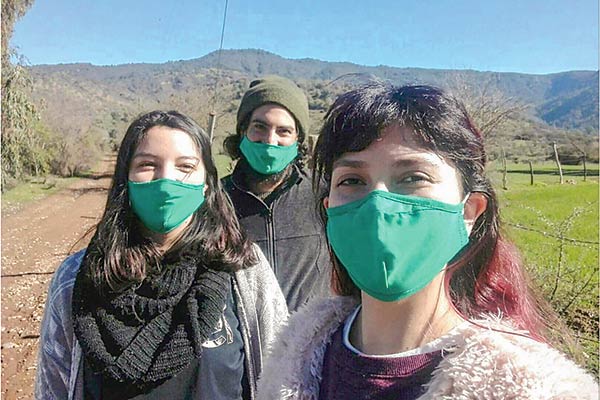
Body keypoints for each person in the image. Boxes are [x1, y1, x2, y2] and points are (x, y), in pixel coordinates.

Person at [257, 84, 598, 399]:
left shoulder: (536, 389)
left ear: (469, 211)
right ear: (329, 209)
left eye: (412, 177)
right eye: (353, 180)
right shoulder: (290, 356)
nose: (378, 202)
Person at [35, 110, 287, 400]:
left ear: (206, 183)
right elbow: (53, 386)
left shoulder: (242, 267)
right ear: (125, 178)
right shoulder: (79, 277)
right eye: (147, 164)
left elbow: (283, 377)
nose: (166, 179)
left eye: (185, 166)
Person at [222, 76, 331, 311]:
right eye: (260, 127)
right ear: (243, 131)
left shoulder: (322, 195)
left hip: (312, 340)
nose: (270, 141)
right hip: (244, 344)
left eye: (283, 131)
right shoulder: (217, 202)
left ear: (298, 140)